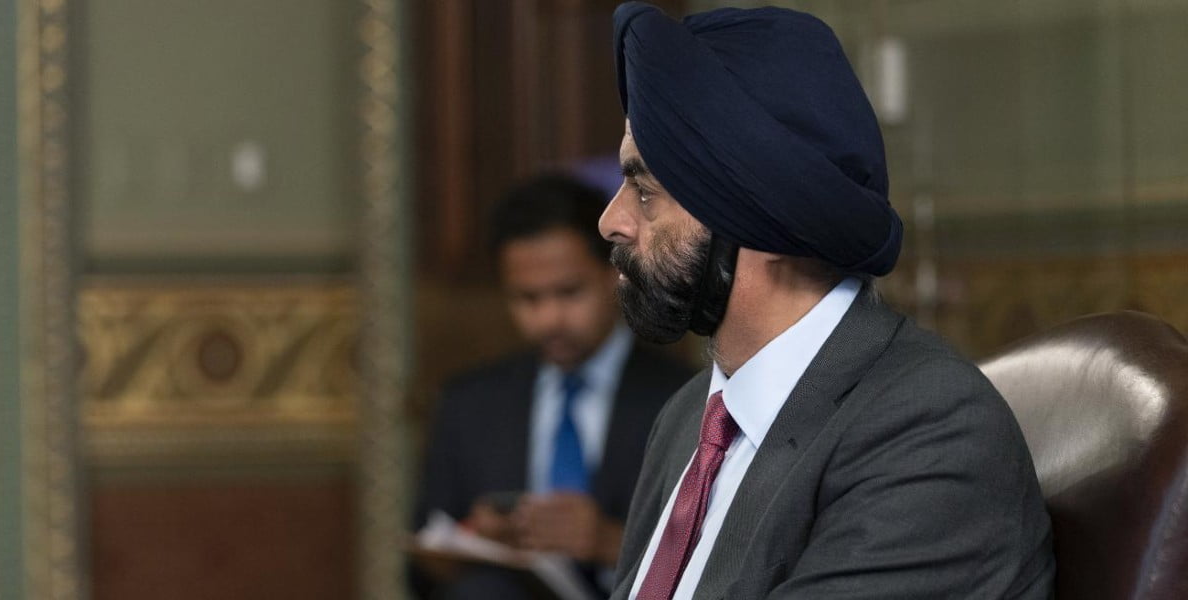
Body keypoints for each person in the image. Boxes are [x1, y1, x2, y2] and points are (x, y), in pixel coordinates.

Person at [599, 3, 1055, 599]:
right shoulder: (688, 418)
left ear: (759, 218)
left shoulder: (929, 432)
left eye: (644, 191)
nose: (611, 220)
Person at [415, 174, 694, 599]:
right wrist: (472, 539)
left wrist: (610, 543)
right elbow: (419, 567)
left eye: (568, 292)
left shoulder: (685, 397)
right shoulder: (468, 403)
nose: (549, 319)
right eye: (528, 298)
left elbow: (719, 562)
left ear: (614, 273)